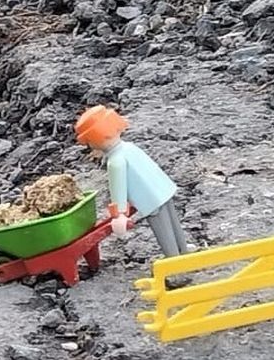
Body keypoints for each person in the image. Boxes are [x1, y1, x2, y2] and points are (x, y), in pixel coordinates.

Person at [75, 105, 192, 257]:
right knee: (173, 223)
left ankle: (174, 259)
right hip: (162, 188)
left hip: (149, 198)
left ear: (95, 138)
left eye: (88, 142)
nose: (89, 146)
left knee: (164, 230)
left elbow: (118, 190)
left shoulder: (115, 162)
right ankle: (183, 250)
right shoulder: (129, 147)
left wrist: (119, 214)